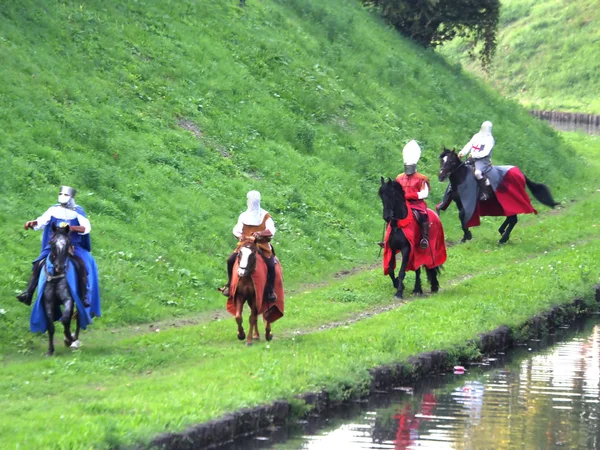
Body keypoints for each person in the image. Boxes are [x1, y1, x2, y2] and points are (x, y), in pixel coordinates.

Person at [17, 186, 94, 308]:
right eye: (61, 194)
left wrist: (71, 228)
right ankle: (28, 293)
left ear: (71, 197)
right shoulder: (53, 209)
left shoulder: (78, 211)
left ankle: (84, 296)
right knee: (38, 263)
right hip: (55, 244)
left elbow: (86, 228)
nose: (63, 196)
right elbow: (42, 221)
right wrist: (32, 223)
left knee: (81, 265)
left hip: (72, 244)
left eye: (66, 195)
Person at [222, 190, 277, 302]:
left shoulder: (265, 216)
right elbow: (237, 229)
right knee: (230, 260)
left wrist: (260, 234)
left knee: (271, 265)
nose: (252, 203)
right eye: (251, 201)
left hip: (261, 245)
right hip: (246, 244)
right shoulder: (243, 216)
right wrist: (241, 236)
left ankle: (270, 291)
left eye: (254, 201)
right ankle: (229, 284)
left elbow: (271, 229)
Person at [396, 140, 430, 249]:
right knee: (391, 215)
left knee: (423, 216)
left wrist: (410, 196)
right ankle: (388, 239)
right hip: (402, 204)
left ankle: (424, 238)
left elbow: (424, 193)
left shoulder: (422, 178)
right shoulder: (399, 177)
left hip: (417, 204)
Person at [458, 120, 494, 200]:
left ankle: (485, 192)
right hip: (472, 158)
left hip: (483, 160)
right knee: (461, 169)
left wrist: (474, 155)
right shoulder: (476, 136)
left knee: (477, 173)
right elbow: (469, 145)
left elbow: (485, 152)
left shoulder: (490, 139)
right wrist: (462, 153)